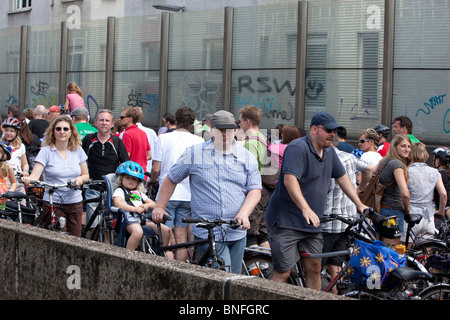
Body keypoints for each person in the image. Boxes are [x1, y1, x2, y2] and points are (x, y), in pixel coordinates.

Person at [265, 111, 368, 290]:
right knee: (283, 272)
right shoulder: (298, 148)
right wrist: (305, 208)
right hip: (286, 220)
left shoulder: (329, 152)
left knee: (315, 267)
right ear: (314, 129)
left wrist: (359, 204)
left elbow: (342, 177)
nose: (332, 134)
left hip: (311, 223)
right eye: (328, 130)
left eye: (334, 131)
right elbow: (290, 180)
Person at [152, 110, 262, 274]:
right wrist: (160, 206)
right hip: (208, 230)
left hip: (237, 231)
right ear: (212, 130)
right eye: (220, 130)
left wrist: (244, 213)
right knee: (224, 275)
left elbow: (254, 189)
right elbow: (171, 179)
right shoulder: (195, 153)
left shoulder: (246, 157)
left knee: (235, 278)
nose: (225, 134)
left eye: (229, 130)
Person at [150, 106, 204, 261]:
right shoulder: (199, 141)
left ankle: (169, 266)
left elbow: (156, 168)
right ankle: (182, 269)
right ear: (192, 123)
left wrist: (151, 180)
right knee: (182, 236)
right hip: (188, 194)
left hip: (167, 194)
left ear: (177, 121)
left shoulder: (163, 138)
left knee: (167, 233)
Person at [22, 116, 89, 237]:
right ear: (53, 131)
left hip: (74, 201)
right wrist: (28, 179)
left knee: (76, 238)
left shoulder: (78, 150)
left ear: (71, 132)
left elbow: (85, 175)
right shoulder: (46, 151)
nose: (62, 132)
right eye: (58, 129)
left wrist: (79, 180)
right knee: (55, 237)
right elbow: (35, 176)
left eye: (65, 129)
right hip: (54, 201)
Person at [322, 136, 372, 294]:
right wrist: (360, 188)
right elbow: (369, 169)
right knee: (335, 261)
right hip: (348, 219)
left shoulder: (324, 159)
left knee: (315, 266)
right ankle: (336, 292)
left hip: (329, 219)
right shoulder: (349, 157)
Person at [82, 109, 129, 233]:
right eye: (101, 120)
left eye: (107, 120)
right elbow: (80, 161)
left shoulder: (117, 142)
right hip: (93, 187)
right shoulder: (88, 140)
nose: (104, 123)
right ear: (96, 122)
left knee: (108, 227)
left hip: (111, 188)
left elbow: (125, 164)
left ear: (112, 123)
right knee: (93, 226)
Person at [113, 161, 172, 253]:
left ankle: (160, 253)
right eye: (128, 177)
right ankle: (127, 255)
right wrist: (135, 209)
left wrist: (146, 205)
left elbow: (153, 204)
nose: (131, 181)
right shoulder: (120, 191)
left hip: (141, 219)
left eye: (134, 179)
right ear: (121, 178)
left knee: (166, 231)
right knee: (138, 232)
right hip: (128, 220)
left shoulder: (138, 193)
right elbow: (118, 203)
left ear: (137, 181)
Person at [238, 105, 271, 249]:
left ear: (248, 122)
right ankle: (266, 266)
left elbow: (247, 169)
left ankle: (255, 268)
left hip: (255, 191)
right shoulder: (263, 138)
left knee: (250, 232)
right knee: (262, 232)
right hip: (265, 190)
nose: (239, 124)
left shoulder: (250, 143)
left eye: (240, 121)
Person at [374, 134, 412, 245]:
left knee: (380, 250)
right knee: (390, 252)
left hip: (379, 210)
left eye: (409, 146)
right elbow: (405, 194)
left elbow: (369, 171)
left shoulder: (384, 161)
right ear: (395, 147)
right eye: (403, 146)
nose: (407, 149)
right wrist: (407, 212)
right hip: (393, 212)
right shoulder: (397, 164)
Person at [406, 142, 447, 242]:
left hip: (411, 216)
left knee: (405, 251)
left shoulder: (406, 171)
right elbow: (443, 194)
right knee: (426, 251)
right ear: (425, 155)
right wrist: (441, 212)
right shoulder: (434, 172)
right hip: (428, 218)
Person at [120, 107, 151, 174]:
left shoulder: (127, 134)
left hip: (131, 174)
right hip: (142, 173)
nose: (120, 119)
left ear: (130, 119)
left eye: (122, 117)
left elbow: (125, 157)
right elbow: (149, 155)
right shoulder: (143, 133)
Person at [1, 117, 29, 193]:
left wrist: (25, 171)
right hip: (3, 181)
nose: (8, 133)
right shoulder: (1, 145)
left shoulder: (20, 146)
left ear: (17, 132)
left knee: (21, 203)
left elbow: (25, 163)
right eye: (6, 130)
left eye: (12, 131)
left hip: (17, 181)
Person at [432, 147, 450, 219]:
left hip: (446, 213)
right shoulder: (446, 174)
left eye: (434, 159)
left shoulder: (438, 175)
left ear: (438, 161)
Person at [0, 142, 17, 210]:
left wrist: (10, 192)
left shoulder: (8, 168)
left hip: (2, 200)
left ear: (4, 155)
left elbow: (14, 182)